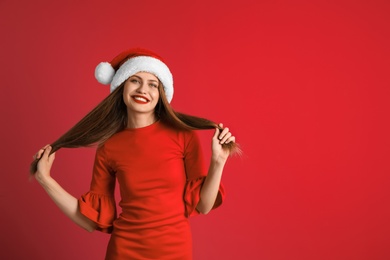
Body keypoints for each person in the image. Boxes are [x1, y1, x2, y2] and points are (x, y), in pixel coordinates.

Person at [31, 48, 240, 259]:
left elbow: (203, 206)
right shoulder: (109, 146)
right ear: (122, 87)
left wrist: (218, 161)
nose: (143, 90)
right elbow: (90, 221)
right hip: (123, 251)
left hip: (175, 252)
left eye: (153, 84)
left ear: (161, 94)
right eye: (135, 80)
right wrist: (46, 180)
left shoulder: (183, 136)